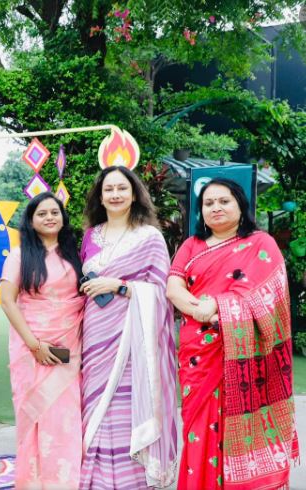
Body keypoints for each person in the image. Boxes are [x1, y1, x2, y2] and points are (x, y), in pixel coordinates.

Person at [166, 178, 298, 489]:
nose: (216, 208)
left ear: (240, 205)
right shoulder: (191, 246)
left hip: (244, 356)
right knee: (198, 430)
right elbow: (173, 288)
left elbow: (270, 298)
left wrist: (218, 308)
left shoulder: (261, 244)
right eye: (208, 203)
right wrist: (203, 310)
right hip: (199, 355)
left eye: (224, 201)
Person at [78, 165, 178, 488]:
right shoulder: (90, 237)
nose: (116, 194)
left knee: (125, 407)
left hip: (133, 339)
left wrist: (119, 285)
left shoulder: (150, 238)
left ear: (134, 194)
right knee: (96, 405)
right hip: (95, 337)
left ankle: (132, 480)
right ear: (100, 196)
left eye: (122, 188)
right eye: (109, 189)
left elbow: (163, 294)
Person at [0, 192, 85, 488]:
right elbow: (7, 301)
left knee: (65, 417)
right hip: (31, 348)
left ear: (63, 217)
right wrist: (35, 346)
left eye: (55, 212)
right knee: (34, 419)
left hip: (69, 348)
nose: (50, 217)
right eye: (42, 214)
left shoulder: (76, 253)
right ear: (31, 221)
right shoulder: (20, 255)